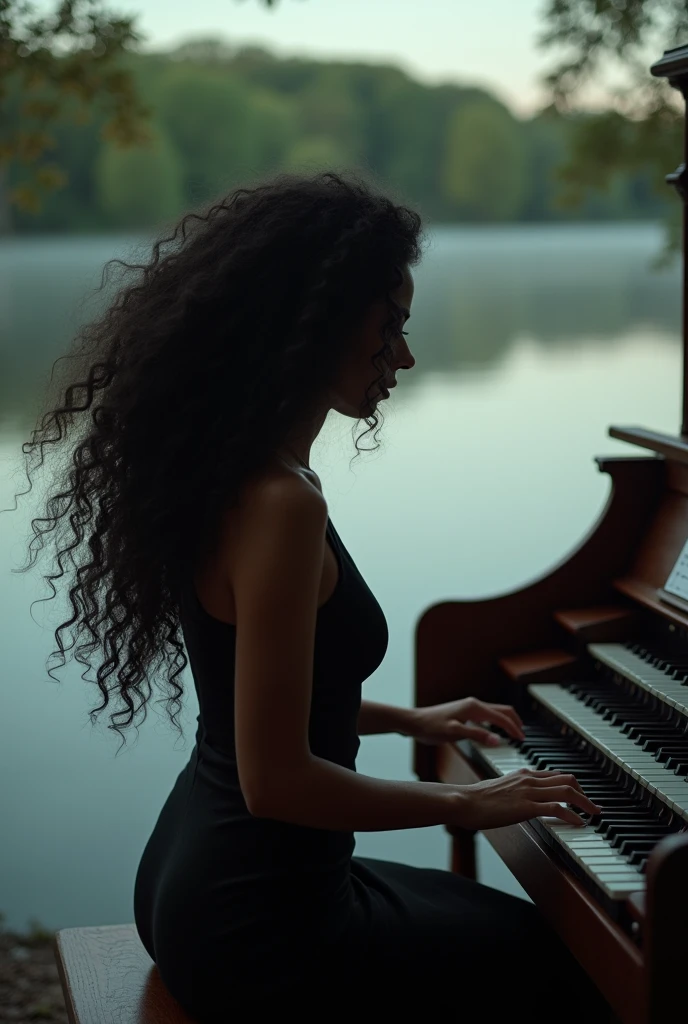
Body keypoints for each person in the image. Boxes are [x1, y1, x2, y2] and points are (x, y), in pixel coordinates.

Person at [16, 167, 608, 1018]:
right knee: (568, 975)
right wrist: (468, 802)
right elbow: (279, 782)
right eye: (390, 326)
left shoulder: (235, 472)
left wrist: (409, 721)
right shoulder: (282, 504)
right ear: (318, 318)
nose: (404, 355)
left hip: (195, 878)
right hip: (267, 926)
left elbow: (262, 697)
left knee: (527, 929)